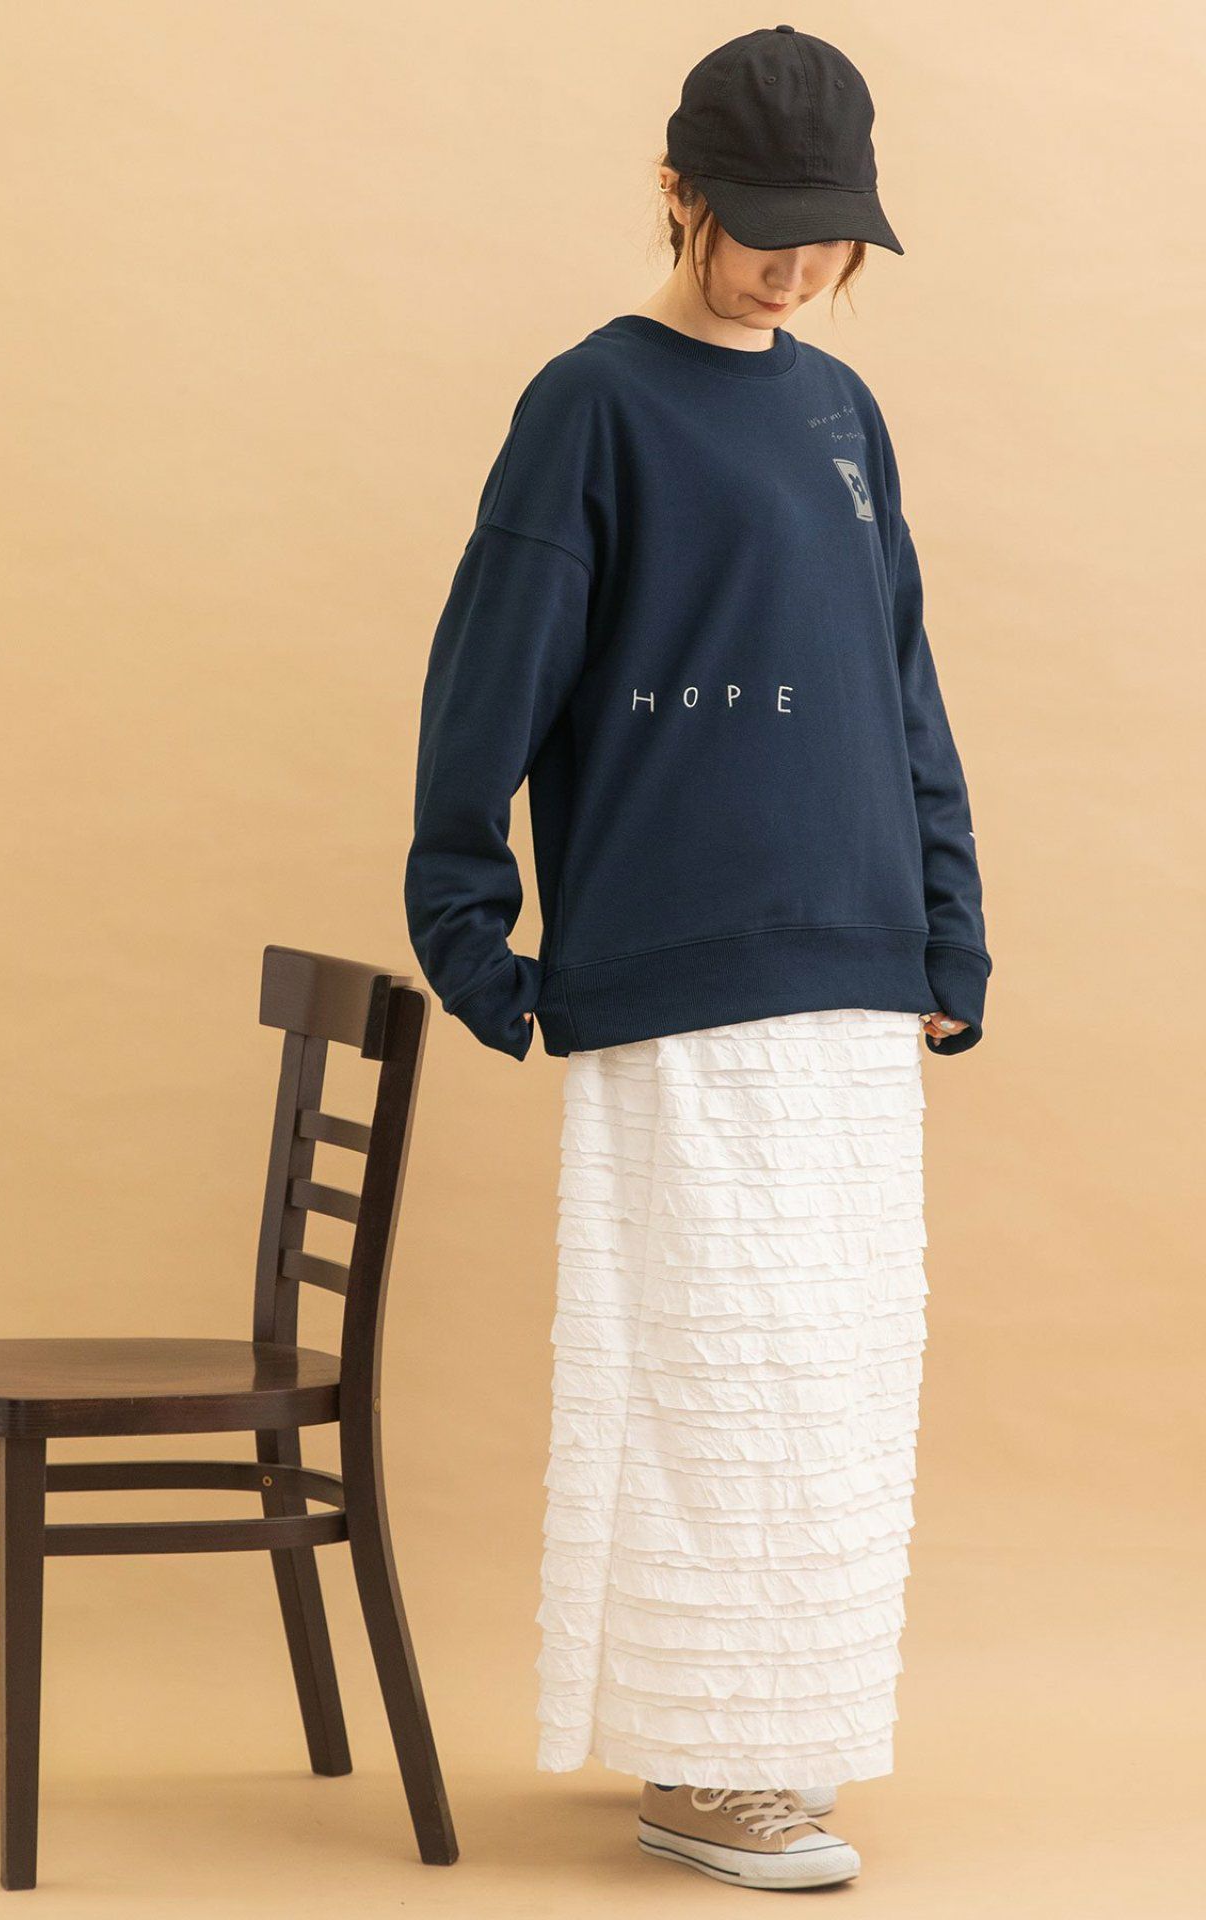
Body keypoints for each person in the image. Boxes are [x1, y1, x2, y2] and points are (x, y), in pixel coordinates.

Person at [404, 24, 991, 1893]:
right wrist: (468, 929)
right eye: (764, 228)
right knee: (709, 1370)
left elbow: (898, 672)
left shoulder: (841, 412)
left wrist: (951, 916)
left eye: (831, 237)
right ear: (677, 191)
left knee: (830, 1381)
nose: (798, 267)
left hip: (855, 969)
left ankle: (765, 1738)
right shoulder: (592, 405)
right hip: (679, 968)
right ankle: (708, 1768)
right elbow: (488, 675)